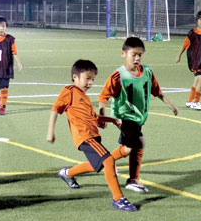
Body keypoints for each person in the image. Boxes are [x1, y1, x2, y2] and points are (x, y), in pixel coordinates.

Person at [46, 59, 137, 212]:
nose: (90, 82)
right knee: (108, 160)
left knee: (99, 164)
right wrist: (50, 131)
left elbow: (94, 117)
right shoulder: (69, 91)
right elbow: (55, 109)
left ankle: (67, 173)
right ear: (75, 77)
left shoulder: (84, 97)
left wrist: (112, 120)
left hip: (93, 135)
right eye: (87, 78)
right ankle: (118, 199)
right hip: (84, 137)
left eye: (92, 79)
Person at [98, 36, 179, 193]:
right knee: (137, 143)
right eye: (133, 54)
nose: (137, 58)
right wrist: (102, 116)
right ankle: (133, 180)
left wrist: (171, 105)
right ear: (123, 54)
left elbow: (156, 91)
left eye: (140, 55)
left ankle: (107, 162)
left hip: (139, 117)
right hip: (123, 117)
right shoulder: (118, 75)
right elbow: (103, 97)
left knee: (129, 147)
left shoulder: (147, 72)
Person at [176, 10, 201, 111]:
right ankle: (196, 102)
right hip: (196, 60)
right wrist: (179, 56)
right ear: (197, 20)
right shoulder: (192, 34)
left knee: (199, 81)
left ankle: (189, 101)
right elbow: (184, 46)